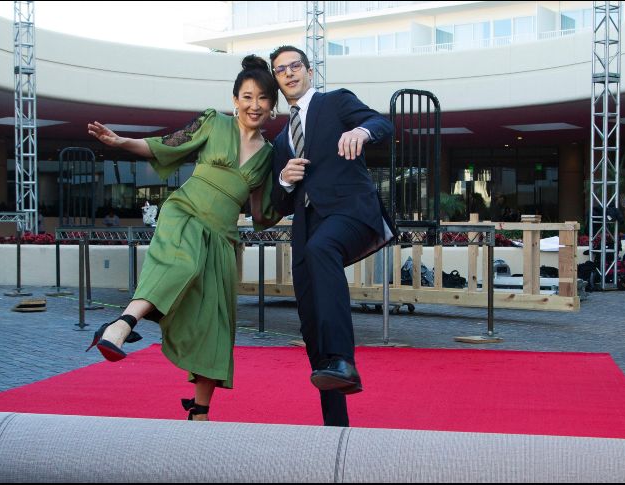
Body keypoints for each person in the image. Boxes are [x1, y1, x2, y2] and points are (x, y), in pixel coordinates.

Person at [86, 55, 281, 421]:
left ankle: (200, 411)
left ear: (272, 105)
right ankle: (120, 325)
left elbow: (261, 214)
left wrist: (291, 187)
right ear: (235, 100)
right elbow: (165, 144)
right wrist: (121, 142)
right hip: (186, 214)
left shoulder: (269, 157)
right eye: (247, 96)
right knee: (181, 264)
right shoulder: (214, 122)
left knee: (215, 321)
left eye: (263, 98)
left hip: (223, 239)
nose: (255, 105)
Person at [269, 45, 394, 427]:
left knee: (323, 248)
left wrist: (360, 130)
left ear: (308, 71)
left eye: (295, 66)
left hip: (351, 212)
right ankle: (335, 426)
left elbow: (381, 124)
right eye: (280, 70)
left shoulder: (335, 102)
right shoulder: (280, 142)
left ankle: (345, 360)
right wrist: (283, 180)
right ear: (276, 80)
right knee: (310, 324)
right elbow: (277, 205)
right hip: (307, 228)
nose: (289, 73)